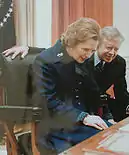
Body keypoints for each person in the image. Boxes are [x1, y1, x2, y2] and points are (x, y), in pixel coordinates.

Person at [3, 26, 129, 122]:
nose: (112, 53)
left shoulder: (119, 63)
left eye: (116, 49)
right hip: (77, 108)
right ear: (97, 44)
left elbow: (121, 90)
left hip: (99, 105)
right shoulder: (81, 56)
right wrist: (29, 49)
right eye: (109, 48)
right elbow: (55, 54)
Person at [31, 18, 111, 154]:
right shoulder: (45, 61)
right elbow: (48, 102)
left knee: (117, 135)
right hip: (57, 129)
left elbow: (95, 93)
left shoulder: (83, 58)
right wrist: (83, 117)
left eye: (92, 51)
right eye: (85, 49)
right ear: (72, 42)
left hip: (84, 123)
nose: (89, 55)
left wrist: (108, 117)